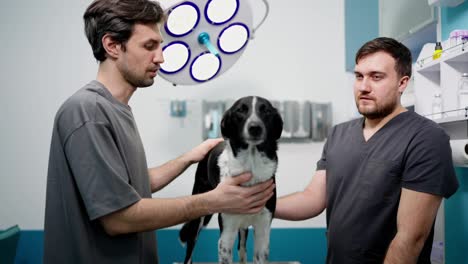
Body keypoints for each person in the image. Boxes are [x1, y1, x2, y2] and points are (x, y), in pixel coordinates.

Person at [43, 0, 275, 263]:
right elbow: (119, 217)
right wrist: (212, 201)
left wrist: (189, 158)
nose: (161, 57)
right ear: (112, 46)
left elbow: (134, 185)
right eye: (149, 46)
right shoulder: (87, 112)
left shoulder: (116, 110)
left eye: (161, 46)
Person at [275, 37, 459, 263]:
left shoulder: (425, 138)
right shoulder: (338, 134)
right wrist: (260, 205)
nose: (363, 86)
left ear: (402, 83)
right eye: (359, 76)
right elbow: (312, 198)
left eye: (376, 77)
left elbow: (410, 238)